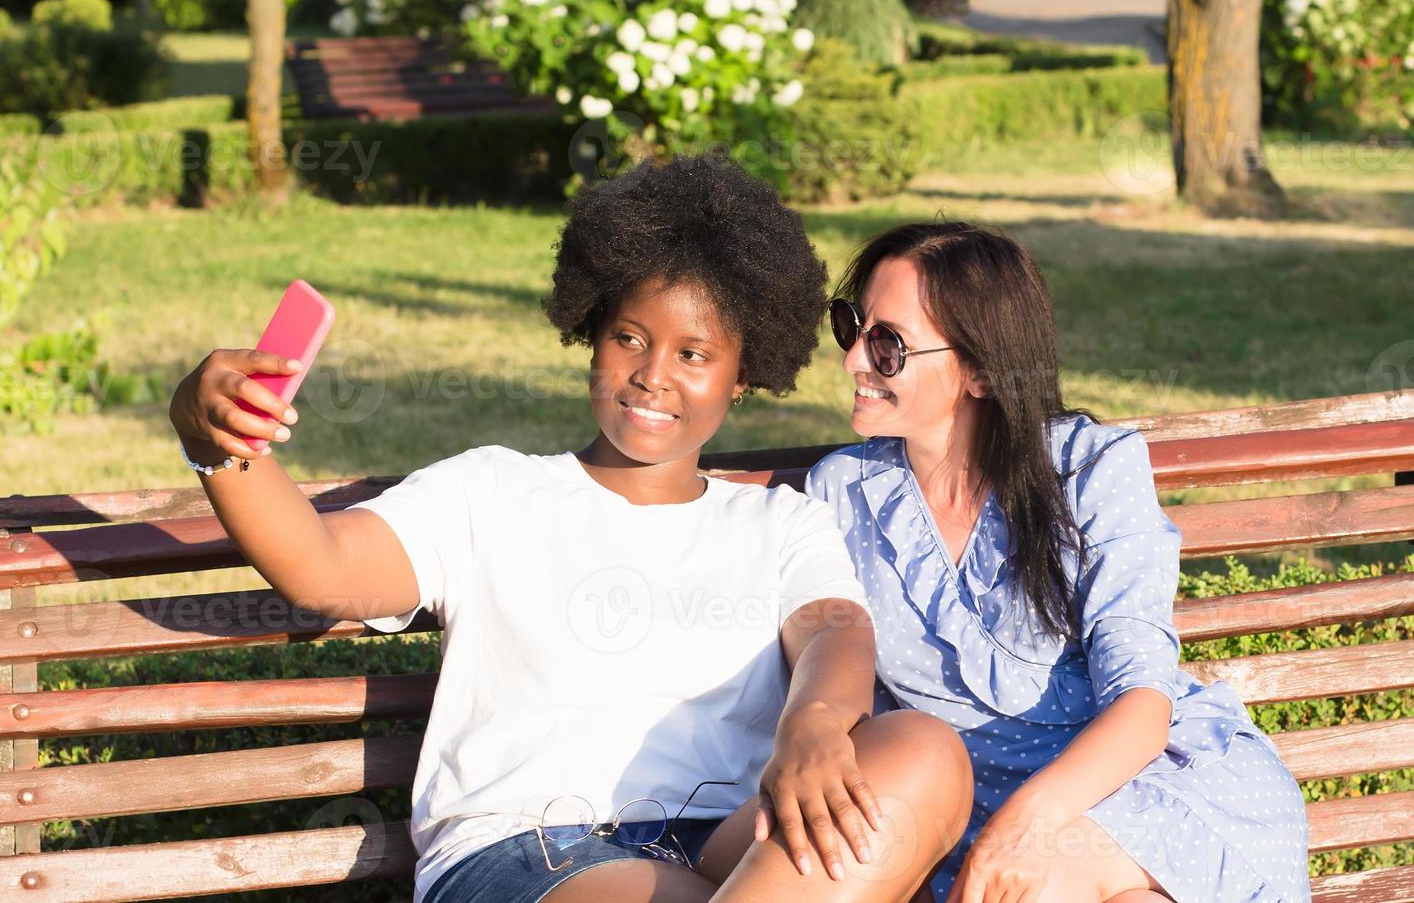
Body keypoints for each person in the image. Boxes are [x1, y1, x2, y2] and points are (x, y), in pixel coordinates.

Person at [169, 156, 973, 903]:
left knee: (924, 754)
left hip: (726, 854)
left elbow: (834, 632)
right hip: (531, 851)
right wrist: (216, 442)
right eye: (630, 337)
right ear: (592, 334)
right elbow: (320, 567)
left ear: (745, 373)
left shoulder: (779, 522)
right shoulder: (490, 491)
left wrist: (817, 720)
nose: (653, 374)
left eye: (695, 354)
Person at [805, 221, 1312, 903]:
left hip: (1143, 784)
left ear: (982, 370)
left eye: (888, 345)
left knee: (1044, 882)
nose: (853, 363)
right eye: (852, 326)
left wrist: (1027, 823)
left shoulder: (1090, 469)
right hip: (971, 815)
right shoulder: (842, 493)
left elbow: (1142, 702)